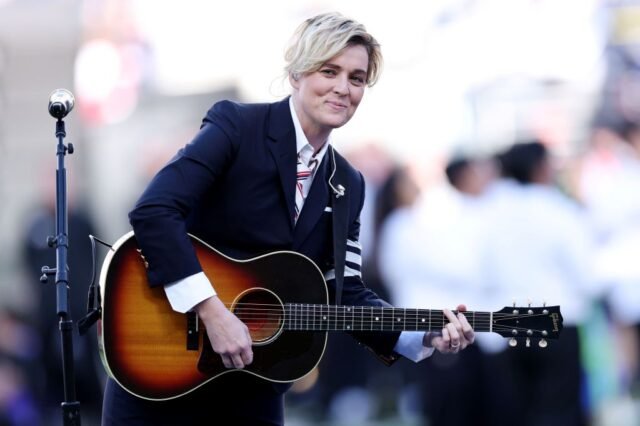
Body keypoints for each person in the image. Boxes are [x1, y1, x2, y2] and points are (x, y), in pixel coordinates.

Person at [101, 12, 475, 426]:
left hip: (254, 389)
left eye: (356, 78)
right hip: (161, 371)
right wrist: (211, 311)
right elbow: (154, 211)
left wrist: (422, 333)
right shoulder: (236, 126)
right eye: (329, 71)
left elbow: (344, 292)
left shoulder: (348, 183)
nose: (343, 88)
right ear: (297, 73)